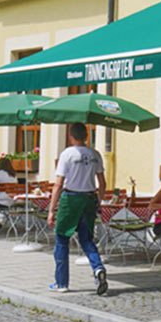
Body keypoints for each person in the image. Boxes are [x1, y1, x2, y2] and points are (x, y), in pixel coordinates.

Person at [46, 122, 107, 295]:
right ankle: (98, 268)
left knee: (62, 239)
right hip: (88, 198)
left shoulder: (67, 154)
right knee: (87, 239)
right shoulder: (95, 155)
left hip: (71, 198)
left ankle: (61, 282)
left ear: (70, 136)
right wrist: (98, 201)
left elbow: (58, 184)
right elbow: (102, 183)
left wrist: (52, 210)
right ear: (86, 136)